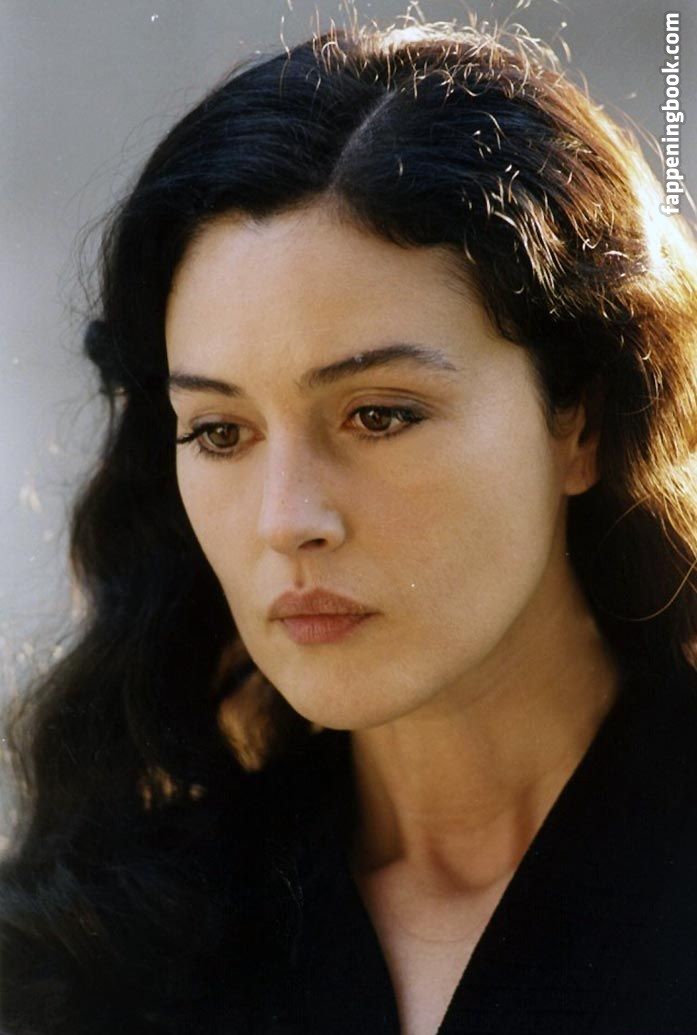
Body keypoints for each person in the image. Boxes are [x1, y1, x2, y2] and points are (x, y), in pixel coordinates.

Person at [1, 17, 696, 1035]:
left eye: (378, 415)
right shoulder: (111, 945)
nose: (287, 520)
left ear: (580, 419)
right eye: (221, 431)